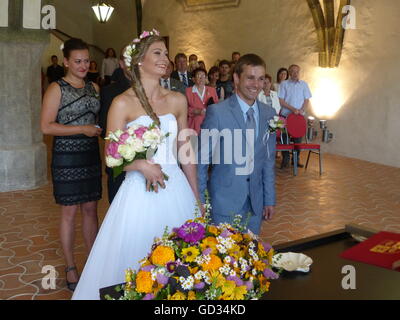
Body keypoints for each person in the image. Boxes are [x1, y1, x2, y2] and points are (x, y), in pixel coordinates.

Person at [72, 30, 201, 300]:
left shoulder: (177, 100)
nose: (165, 58)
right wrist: (140, 165)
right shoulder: (121, 103)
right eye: (158, 53)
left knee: (182, 262)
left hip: (174, 185)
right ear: (139, 61)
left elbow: (185, 150)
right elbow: (111, 155)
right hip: (138, 191)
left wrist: (196, 195)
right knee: (136, 258)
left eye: (166, 53)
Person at [40, 38, 102, 292]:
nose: (83, 65)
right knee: (69, 212)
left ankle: (94, 262)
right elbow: (46, 126)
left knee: (91, 209)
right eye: (77, 61)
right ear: (66, 61)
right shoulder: (56, 88)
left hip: (89, 154)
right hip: (66, 156)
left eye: (86, 60)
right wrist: (82, 129)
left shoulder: (95, 87)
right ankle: (70, 266)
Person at [198, 54, 276, 235]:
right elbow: (201, 161)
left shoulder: (269, 114)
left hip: (255, 205)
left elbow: (268, 161)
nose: (256, 84)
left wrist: (269, 199)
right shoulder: (217, 112)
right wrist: (200, 199)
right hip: (223, 203)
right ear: (236, 78)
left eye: (261, 79)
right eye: (250, 77)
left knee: (251, 258)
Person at [98, 47, 132, 204]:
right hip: (119, 165)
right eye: (128, 59)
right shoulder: (110, 92)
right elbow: (106, 130)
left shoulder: (152, 92)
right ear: (121, 63)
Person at [278, 64, 312, 169]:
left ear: (299, 72)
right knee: (284, 138)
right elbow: (281, 100)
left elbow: (307, 99)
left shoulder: (304, 84)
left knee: (298, 138)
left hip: (298, 117)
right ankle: (286, 159)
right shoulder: (284, 84)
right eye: (292, 71)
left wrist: (302, 110)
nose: (295, 73)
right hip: (284, 115)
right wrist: (293, 109)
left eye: (297, 71)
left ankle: (296, 159)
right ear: (289, 72)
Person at [186, 68, 219, 135]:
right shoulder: (188, 91)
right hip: (194, 125)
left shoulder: (212, 90)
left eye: (203, 76)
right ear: (193, 79)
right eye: (198, 76)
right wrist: (195, 111)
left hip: (210, 124)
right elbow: (184, 109)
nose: (201, 78)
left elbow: (217, 107)